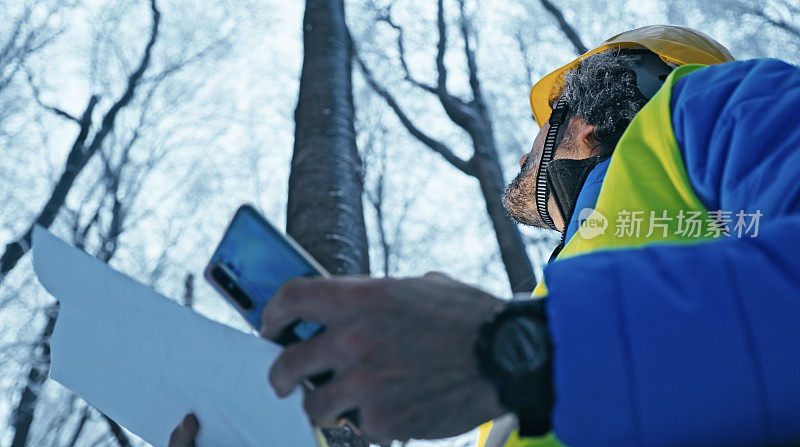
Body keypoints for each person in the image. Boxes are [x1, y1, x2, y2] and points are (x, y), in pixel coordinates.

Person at [169, 25, 800, 446]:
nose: (527, 154)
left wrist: (520, 352)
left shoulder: (714, 108)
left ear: (577, 122)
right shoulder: (546, 302)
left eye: (538, 130)